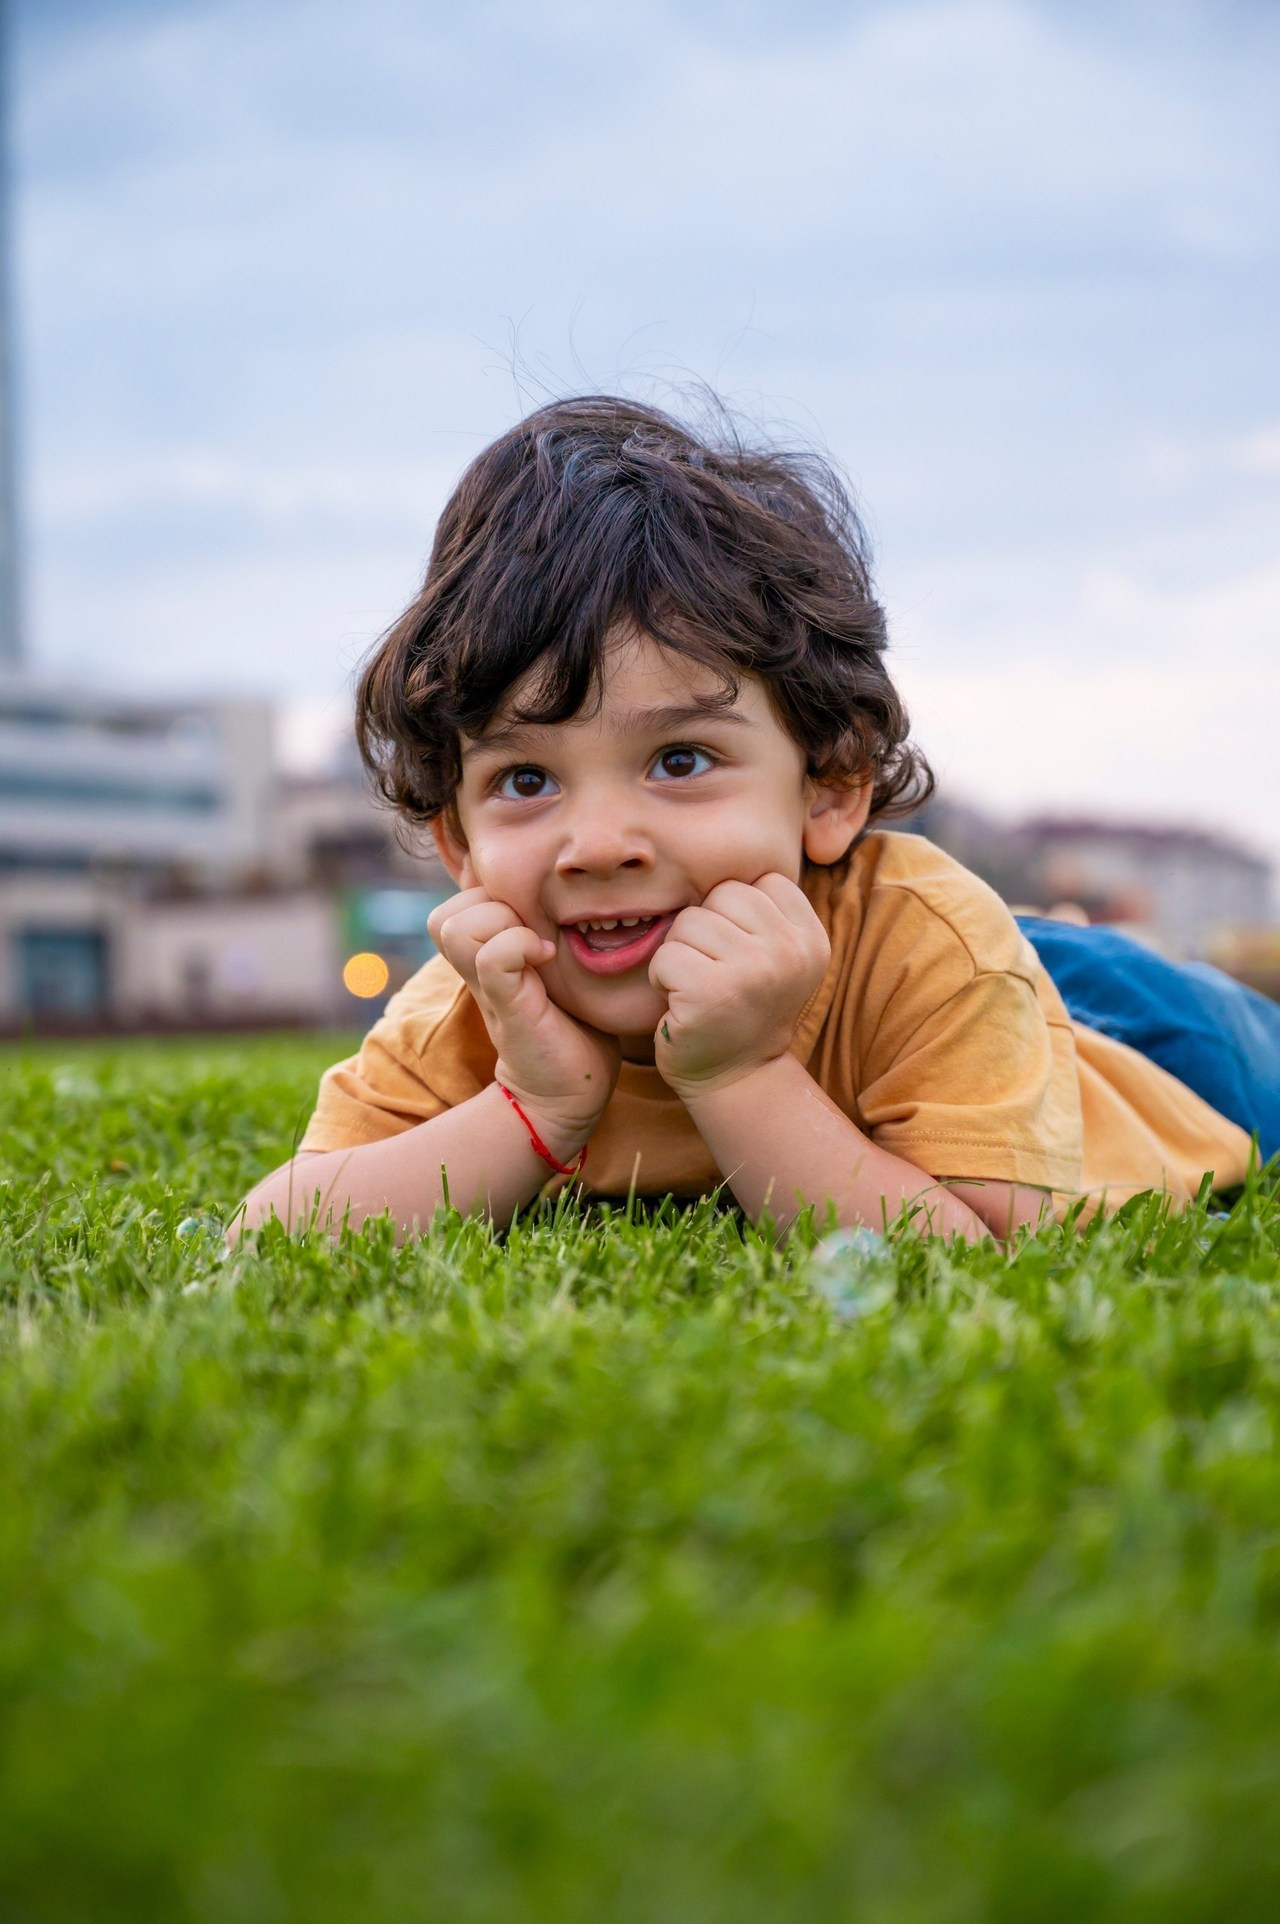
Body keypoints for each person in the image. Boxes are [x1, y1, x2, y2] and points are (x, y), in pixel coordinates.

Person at [237, 397, 1277, 1245]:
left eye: (678, 760)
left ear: (828, 784)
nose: (598, 845)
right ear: (459, 844)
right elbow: (274, 1235)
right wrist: (530, 1109)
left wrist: (738, 1072)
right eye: (524, 781)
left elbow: (986, 1256)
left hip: (1147, 1038)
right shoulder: (482, 998)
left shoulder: (926, 945)